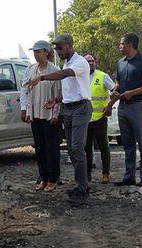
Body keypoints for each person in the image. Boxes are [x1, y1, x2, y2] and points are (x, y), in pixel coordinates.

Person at [25, 34, 92, 203]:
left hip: (80, 108)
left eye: (59, 47)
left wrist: (42, 77)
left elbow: (64, 74)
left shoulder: (79, 62)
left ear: (69, 45)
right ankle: (80, 186)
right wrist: (55, 100)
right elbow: (69, 91)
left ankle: (83, 189)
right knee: (71, 149)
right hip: (68, 108)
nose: (57, 51)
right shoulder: (67, 62)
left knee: (77, 148)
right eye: (55, 48)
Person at [105, 33, 142, 188]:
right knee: (127, 144)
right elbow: (118, 83)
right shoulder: (120, 63)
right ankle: (129, 176)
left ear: (130, 44)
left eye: (121, 43)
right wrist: (114, 92)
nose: (120, 46)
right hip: (123, 107)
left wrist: (132, 92)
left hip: (137, 106)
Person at [20, 40, 62, 192]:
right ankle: (43, 177)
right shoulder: (31, 70)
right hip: (35, 114)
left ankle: (53, 178)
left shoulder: (54, 70)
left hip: (49, 114)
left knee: (52, 148)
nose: (36, 55)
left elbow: (58, 94)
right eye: (34, 52)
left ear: (46, 52)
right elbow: (24, 90)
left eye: (39, 52)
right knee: (40, 148)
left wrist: (56, 114)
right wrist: (24, 109)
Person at [84, 53, 115, 184]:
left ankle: (106, 173)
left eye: (92, 61)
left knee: (103, 147)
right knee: (86, 148)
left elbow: (115, 91)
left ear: (95, 63)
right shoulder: (79, 77)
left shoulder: (103, 76)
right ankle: (87, 174)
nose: (90, 63)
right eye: (88, 61)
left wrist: (109, 106)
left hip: (100, 118)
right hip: (85, 119)